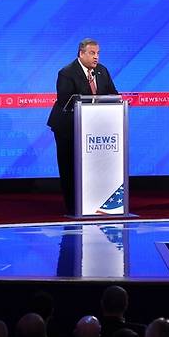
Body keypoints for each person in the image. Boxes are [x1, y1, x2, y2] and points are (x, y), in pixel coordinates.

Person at [47, 38, 119, 215]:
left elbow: (113, 94)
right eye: (92, 53)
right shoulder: (66, 73)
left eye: (98, 53)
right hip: (67, 128)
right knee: (69, 166)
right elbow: (66, 101)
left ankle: (94, 203)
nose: (96, 57)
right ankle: (73, 207)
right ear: (81, 53)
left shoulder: (102, 71)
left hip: (94, 129)